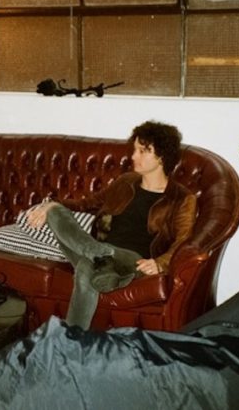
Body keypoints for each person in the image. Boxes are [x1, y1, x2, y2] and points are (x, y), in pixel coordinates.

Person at [26, 120, 197, 329]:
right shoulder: (125, 182)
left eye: (142, 151)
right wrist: (52, 204)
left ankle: (98, 258)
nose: (133, 156)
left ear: (162, 156)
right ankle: (100, 258)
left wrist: (161, 263)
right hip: (98, 250)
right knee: (55, 212)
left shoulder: (181, 198)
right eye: (134, 150)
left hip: (133, 260)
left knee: (85, 267)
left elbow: (184, 240)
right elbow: (87, 204)